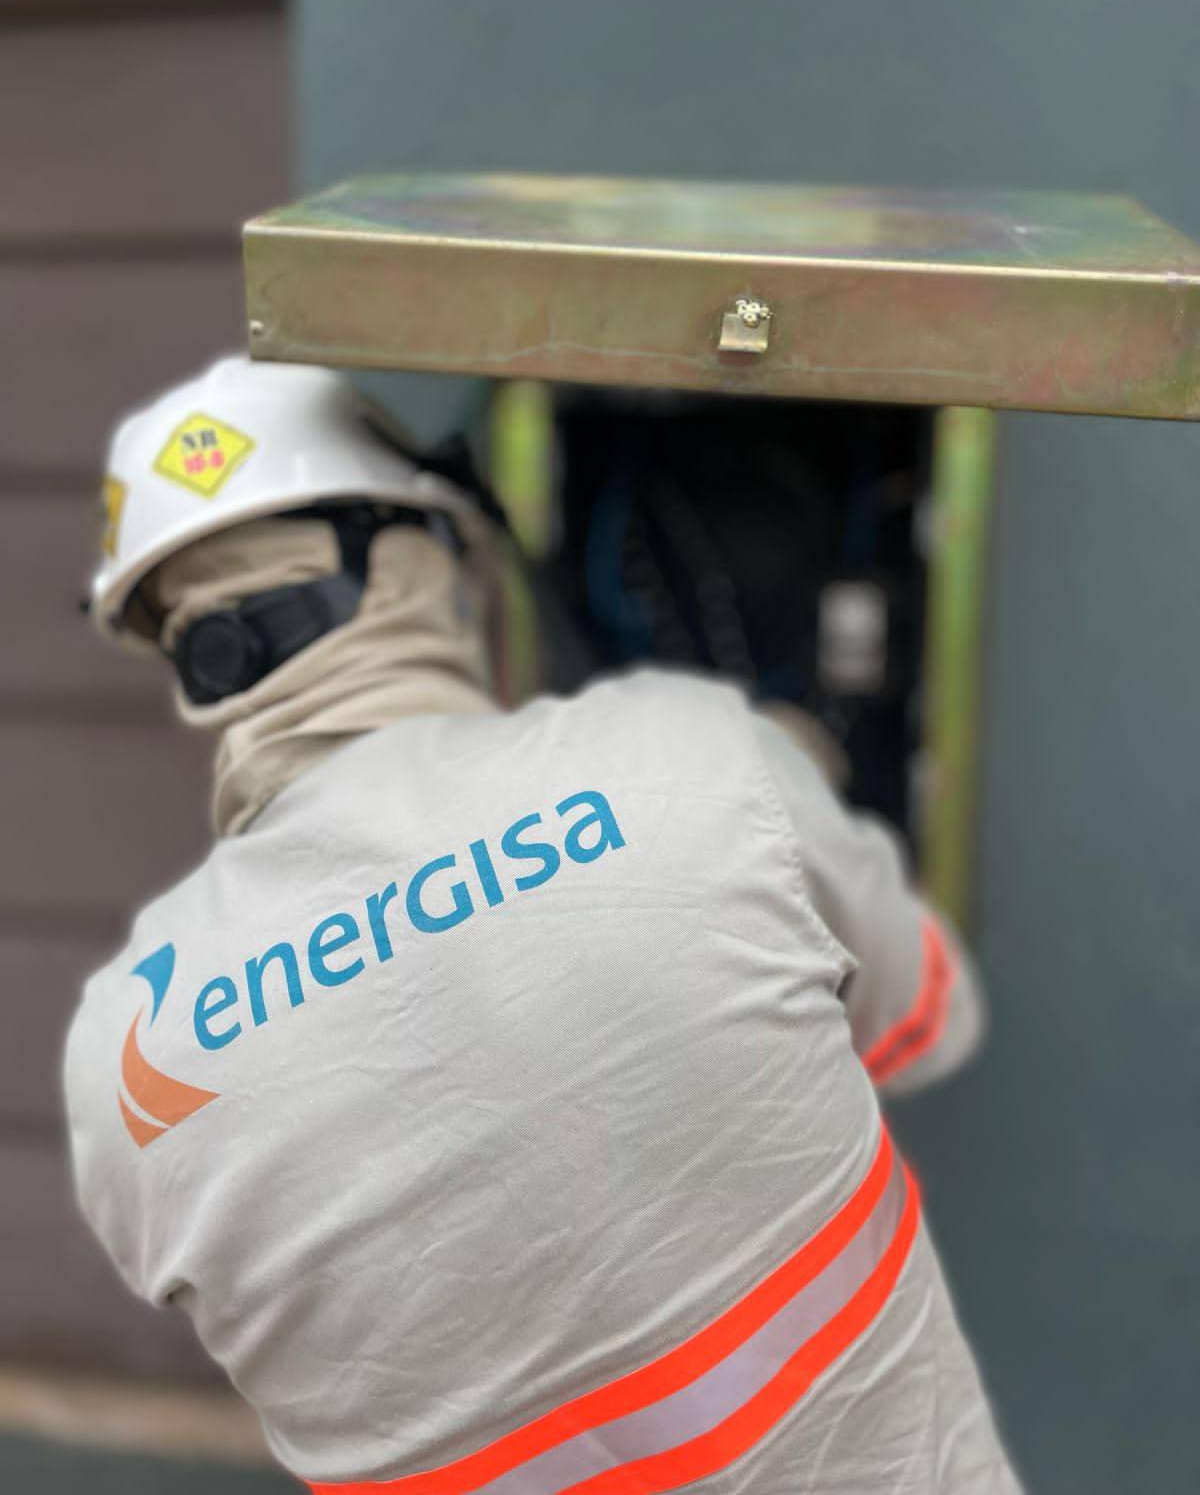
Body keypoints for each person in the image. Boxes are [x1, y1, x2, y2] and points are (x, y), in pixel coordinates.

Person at [64, 355, 1021, 1494]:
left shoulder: (123, 1058)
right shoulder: (697, 755)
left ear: (187, 654)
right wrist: (786, 790)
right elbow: (927, 1018)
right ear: (425, 557)